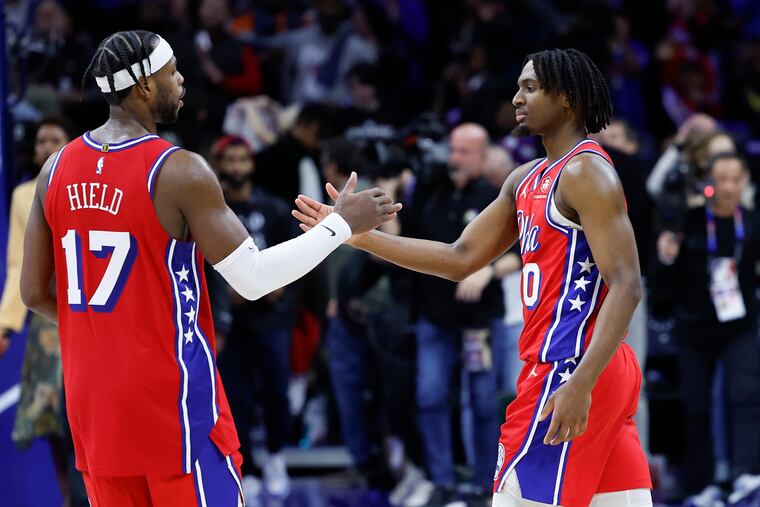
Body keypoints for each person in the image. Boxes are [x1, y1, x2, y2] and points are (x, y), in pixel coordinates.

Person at [19, 30, 400, 507]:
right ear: (142, 86)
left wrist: (109, 328)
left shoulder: (55, 169)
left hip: (95, 409)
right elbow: (254, 278)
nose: (181, 80)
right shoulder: (178, 170)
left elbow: (33, 292)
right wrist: (341, 226)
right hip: (173, 408)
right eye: (171, 71)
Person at [293, 48, 652, 507]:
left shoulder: (585, 172)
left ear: (566, 100)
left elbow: (627, 282)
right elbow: (459, 256)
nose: (517, 98)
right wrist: (359, 238)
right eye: (519, 86)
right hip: (590, 368)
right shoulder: (525, 178)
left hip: (571, 367)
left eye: (530, 88)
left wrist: (579, 383)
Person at [653, 153, 760, 503]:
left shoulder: (754, 221)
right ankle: (703, 484)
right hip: (694, 327)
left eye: (735, 178)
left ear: (744, 181)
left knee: (744, 397)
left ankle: (746, 475)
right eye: (721, 179)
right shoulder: (690, 222)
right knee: (697, 407)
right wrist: (666, 258)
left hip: (739, 325)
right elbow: (664, 282)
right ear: (708, 184)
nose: (728, 187)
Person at [210, 135, 299, 500]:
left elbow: (291, 261)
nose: (236, 168)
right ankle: (247, 468)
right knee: (236, 400)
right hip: (230, 324)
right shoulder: (213, 209)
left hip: (272, 320)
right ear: (220, 165)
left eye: (242, 160)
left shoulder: (275, 209)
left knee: (278, 394)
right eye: (229, 161)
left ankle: (276, 455)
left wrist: (260, 287)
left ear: (252, 164)